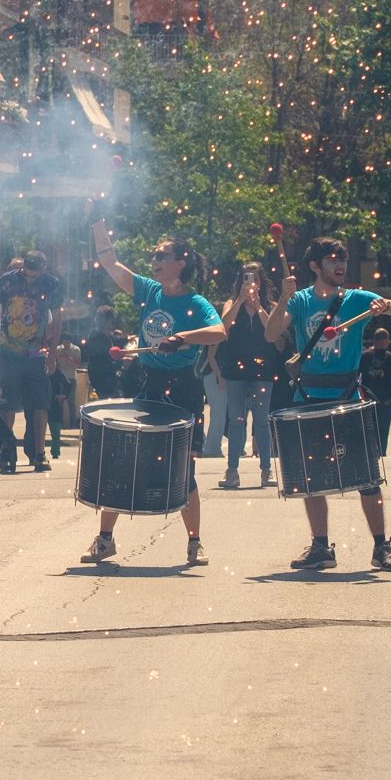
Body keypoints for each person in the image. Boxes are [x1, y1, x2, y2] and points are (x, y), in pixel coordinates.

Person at [264, 236, 391, 572]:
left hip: (347, 397)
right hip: (309, 398)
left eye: (342, 258)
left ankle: (380, 547)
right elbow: (272, 335)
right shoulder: (300, 300)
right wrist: (283, 298)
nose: (340, 264)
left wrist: (384, 307)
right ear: (315, 266)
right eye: (332, 260)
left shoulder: (357, 298)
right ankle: (321, 547)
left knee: (367, 477)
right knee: (311, 477)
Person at [81, 222, 226, 566]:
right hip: (149, 385)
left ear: (181, 262)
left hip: (184, 390)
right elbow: (112, 266)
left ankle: (194, 543)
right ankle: (105, 540)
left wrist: (184, 337)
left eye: (162, 255)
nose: (154, 259)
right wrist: (99, 227)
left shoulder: (196, 301)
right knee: (124, 459)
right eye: (153, 255)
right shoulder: (149, 291)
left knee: (182, 469)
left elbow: (218, 332)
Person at [0, 250, 65, 472]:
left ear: (43, 269)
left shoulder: (52, 285)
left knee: (39, 403)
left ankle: (39, 453)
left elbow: (56, 320)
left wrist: (53, 354)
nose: (30, 278)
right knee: (7, 403)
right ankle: (7, 450)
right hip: (8, 351)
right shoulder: (7, 281)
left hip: (36, 353)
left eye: (35, 273)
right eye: (27, 272)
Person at [215, 262, 277, 489]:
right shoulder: (232, 303)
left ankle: (266, 470)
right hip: (235, 370)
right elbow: (223, 327)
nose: (251, 284)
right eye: (246, 279)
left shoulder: (270, 305)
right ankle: (232, 471)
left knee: (262, 420)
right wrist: (241, 300)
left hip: (262, 370)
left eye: (255, 279)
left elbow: (274, 331)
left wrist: (259, 306)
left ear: (261, 283)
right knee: (236, 421)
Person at [359, 326, 391, 458]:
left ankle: (376, 455)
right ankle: (380, 455)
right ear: (384, 340)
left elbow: (357, 380)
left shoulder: (364, 356)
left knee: (372, 431)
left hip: (374, 401)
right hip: (382, 401)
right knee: (381, 431)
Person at [84, 305, 122, 400]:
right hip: (102, 380)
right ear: (105, 320)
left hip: (110, 379)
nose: (112, 323)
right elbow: (100, 358)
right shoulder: (95, 337)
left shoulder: (110, 337)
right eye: (111, 320)